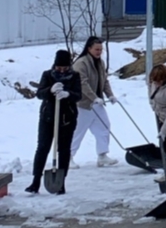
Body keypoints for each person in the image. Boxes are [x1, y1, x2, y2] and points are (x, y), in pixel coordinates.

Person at [27, 50, 81, 194]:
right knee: (42, 148)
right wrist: (50, 90)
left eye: (64, 67)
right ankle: (35, 181)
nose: (61, 70)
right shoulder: (47, 75)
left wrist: (68, 94)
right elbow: (39, 94)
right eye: (58, 67)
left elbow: (78, 95)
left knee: (64, 150)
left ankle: (61, 182)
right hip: (48, 118)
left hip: (67, 119)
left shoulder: (75, 76)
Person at [70, 36, 119, 167]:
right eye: (96, 49)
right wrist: (94, 97)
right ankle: (68, 157)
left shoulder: (100, 63)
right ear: (89, 48)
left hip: (97, 103)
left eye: (101, 49)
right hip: (83, 104)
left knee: (104, 127)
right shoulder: (81, 63)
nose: (99, 52)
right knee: (78, 131)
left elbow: (105, 80)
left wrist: (110, 95)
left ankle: (102, 155)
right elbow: (82, 83)